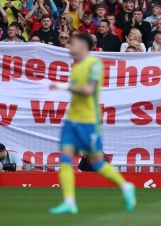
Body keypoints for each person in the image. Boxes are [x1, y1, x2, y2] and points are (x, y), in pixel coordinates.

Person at [49, 33, 136, 214]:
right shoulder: (76, 66)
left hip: (88, 121)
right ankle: (69, 201)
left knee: (97, 163)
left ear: (83, 45)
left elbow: (88, 90)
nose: (69, 46)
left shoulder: (94, 64)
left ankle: (125, 187)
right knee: (64, 158)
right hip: (72, 119)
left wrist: (62, 86)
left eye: (72, 43)